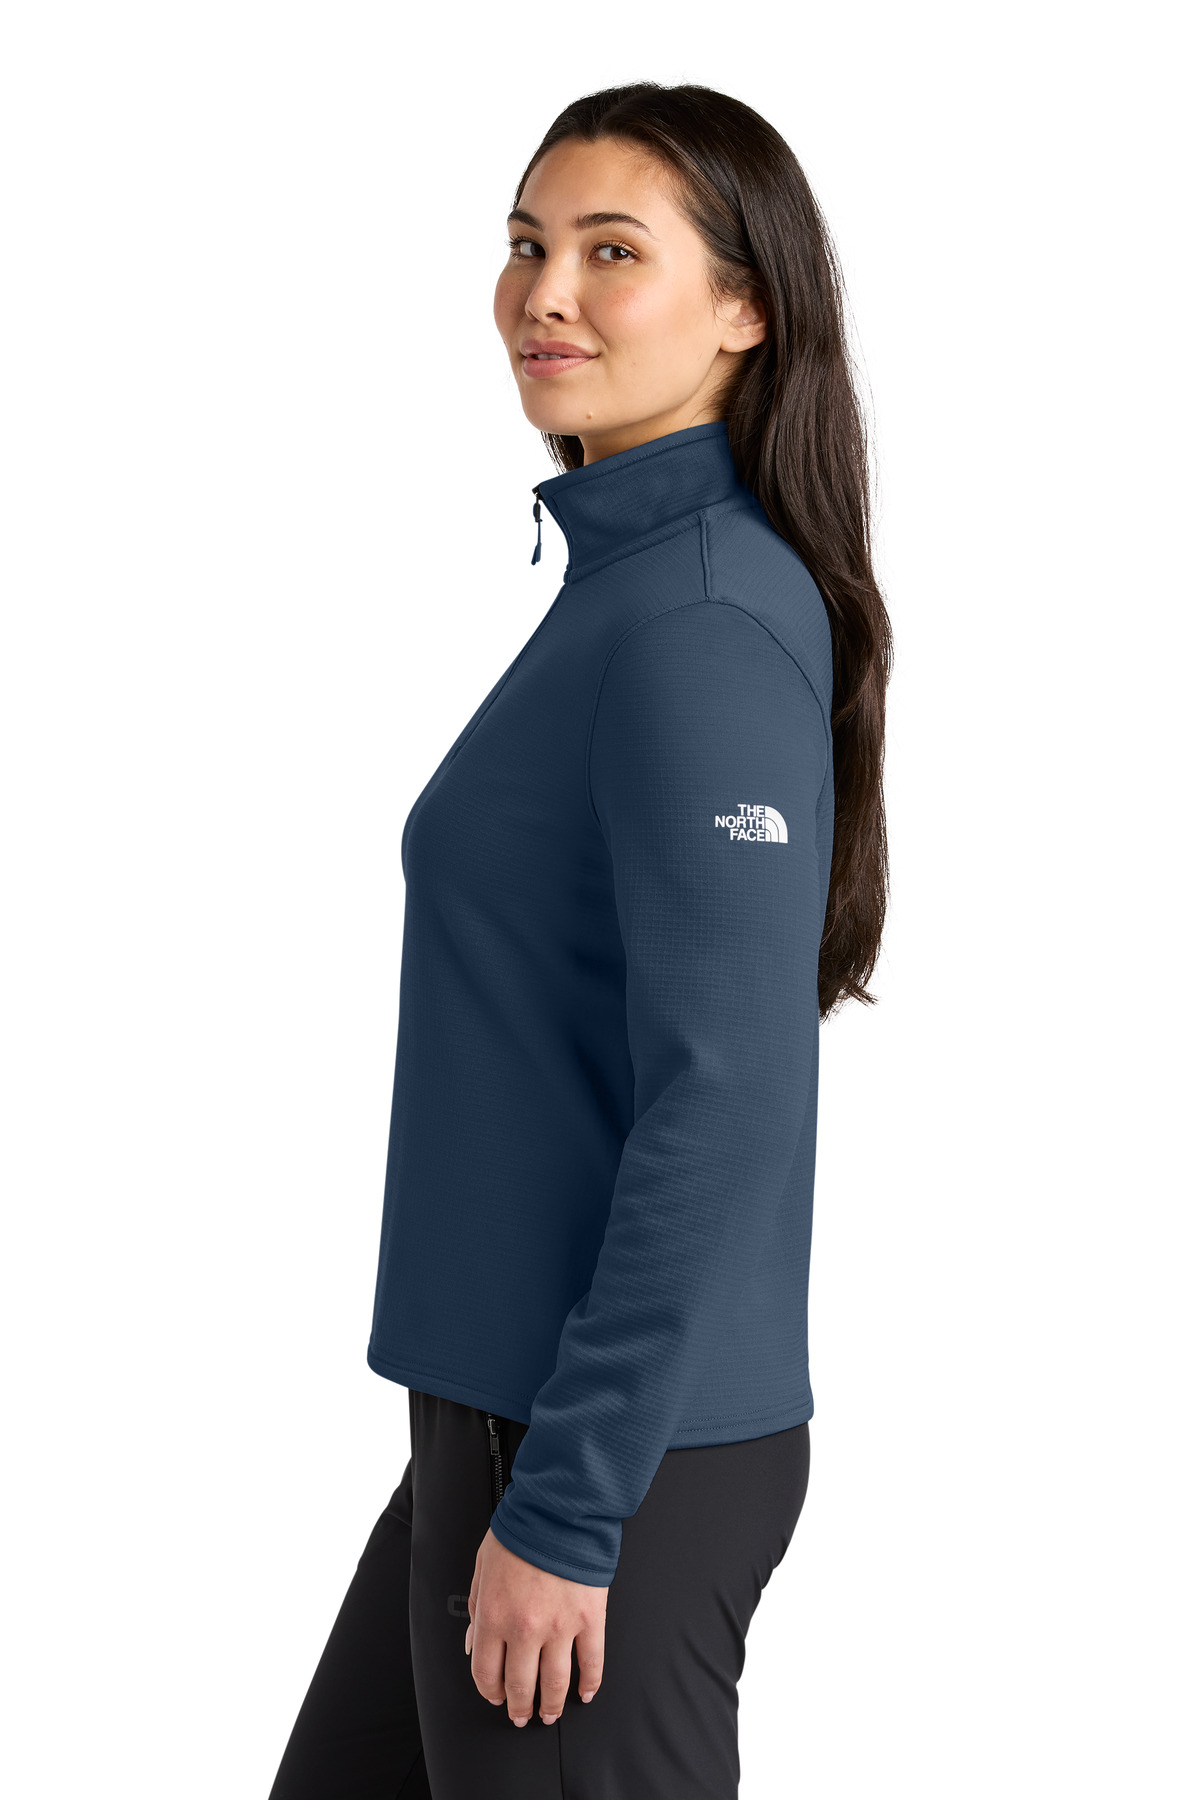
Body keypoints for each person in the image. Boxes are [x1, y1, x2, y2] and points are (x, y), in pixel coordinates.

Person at [268, 80, 891, 1800]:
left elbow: (726, 1095)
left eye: (614, 252)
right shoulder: (632, 583)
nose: (545, 293)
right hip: (506, 1422)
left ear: (745, 307)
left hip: (602, 1462)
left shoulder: (698, 619)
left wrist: (568, 1501)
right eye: (527, 244)